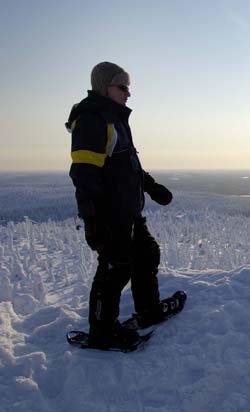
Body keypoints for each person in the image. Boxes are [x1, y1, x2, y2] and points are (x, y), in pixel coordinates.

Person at [66, 62, 182, 349]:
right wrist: (93, 220)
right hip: (109, 214)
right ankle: (102, 331)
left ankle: (148, 310)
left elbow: (127, 166)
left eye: (128, 87)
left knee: (146, 255)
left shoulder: (115, 119)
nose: (128, 93)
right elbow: (84, 174)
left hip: (128, 210)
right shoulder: (94, 120)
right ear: (106, 87)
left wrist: (152, 188)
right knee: (114, 269)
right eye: (123, 87)